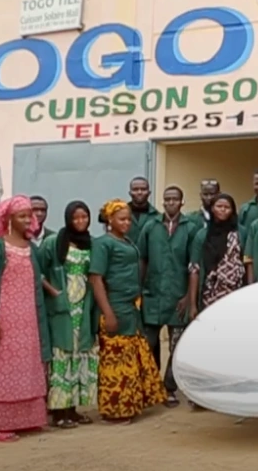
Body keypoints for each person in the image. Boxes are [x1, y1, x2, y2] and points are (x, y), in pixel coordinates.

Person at [0, 195, 51, 441]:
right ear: (9, 219)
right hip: (4, 318)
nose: (28, 219)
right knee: (2, 368)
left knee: (29, 367)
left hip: (30, 320)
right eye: (22, 216)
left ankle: (28, 420)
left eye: (29, 215)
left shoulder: (32, 249)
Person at [89, 199, 166, 423]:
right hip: (115, 306)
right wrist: (108, 313)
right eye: (121, 219)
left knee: (130, 360)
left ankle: (130, 404)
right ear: (109, 220)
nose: (126, 223)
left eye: (128, 220)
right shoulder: (103, 244)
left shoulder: (126, 241)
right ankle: (116, 410)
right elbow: (96, 279)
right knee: (116, 363)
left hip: (131, 308)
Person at [137, 186, 201, 408]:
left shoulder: (190, 228)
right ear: (162, 202)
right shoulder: (150, 226)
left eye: (175, 199)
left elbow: (194, 266)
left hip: (178, 297)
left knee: (177, 346)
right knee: (148, 344)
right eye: (167, 199)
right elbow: (142, 259)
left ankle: (169, 387)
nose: (171, 202)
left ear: (182, 202)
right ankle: (150, 387)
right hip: (152, 295)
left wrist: (188, 297)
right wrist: (139, 289)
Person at [38, 201, 99, 428]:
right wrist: (53, 292)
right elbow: (38, 271)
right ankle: (58, 412)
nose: (81, 221)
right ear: (68, 219)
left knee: (79, 355)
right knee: (61, 356)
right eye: (76, 218)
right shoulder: (53, 242)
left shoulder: (91, 244)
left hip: (83, 307)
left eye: (84, 217)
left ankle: (73, 409)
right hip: (61, 308)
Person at [127, 177, 160, 246]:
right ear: (130, 193)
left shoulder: (157, 216)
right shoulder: (119, 214)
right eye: (135, 189)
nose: (139, 192)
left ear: (149, 192)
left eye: (143, 189)